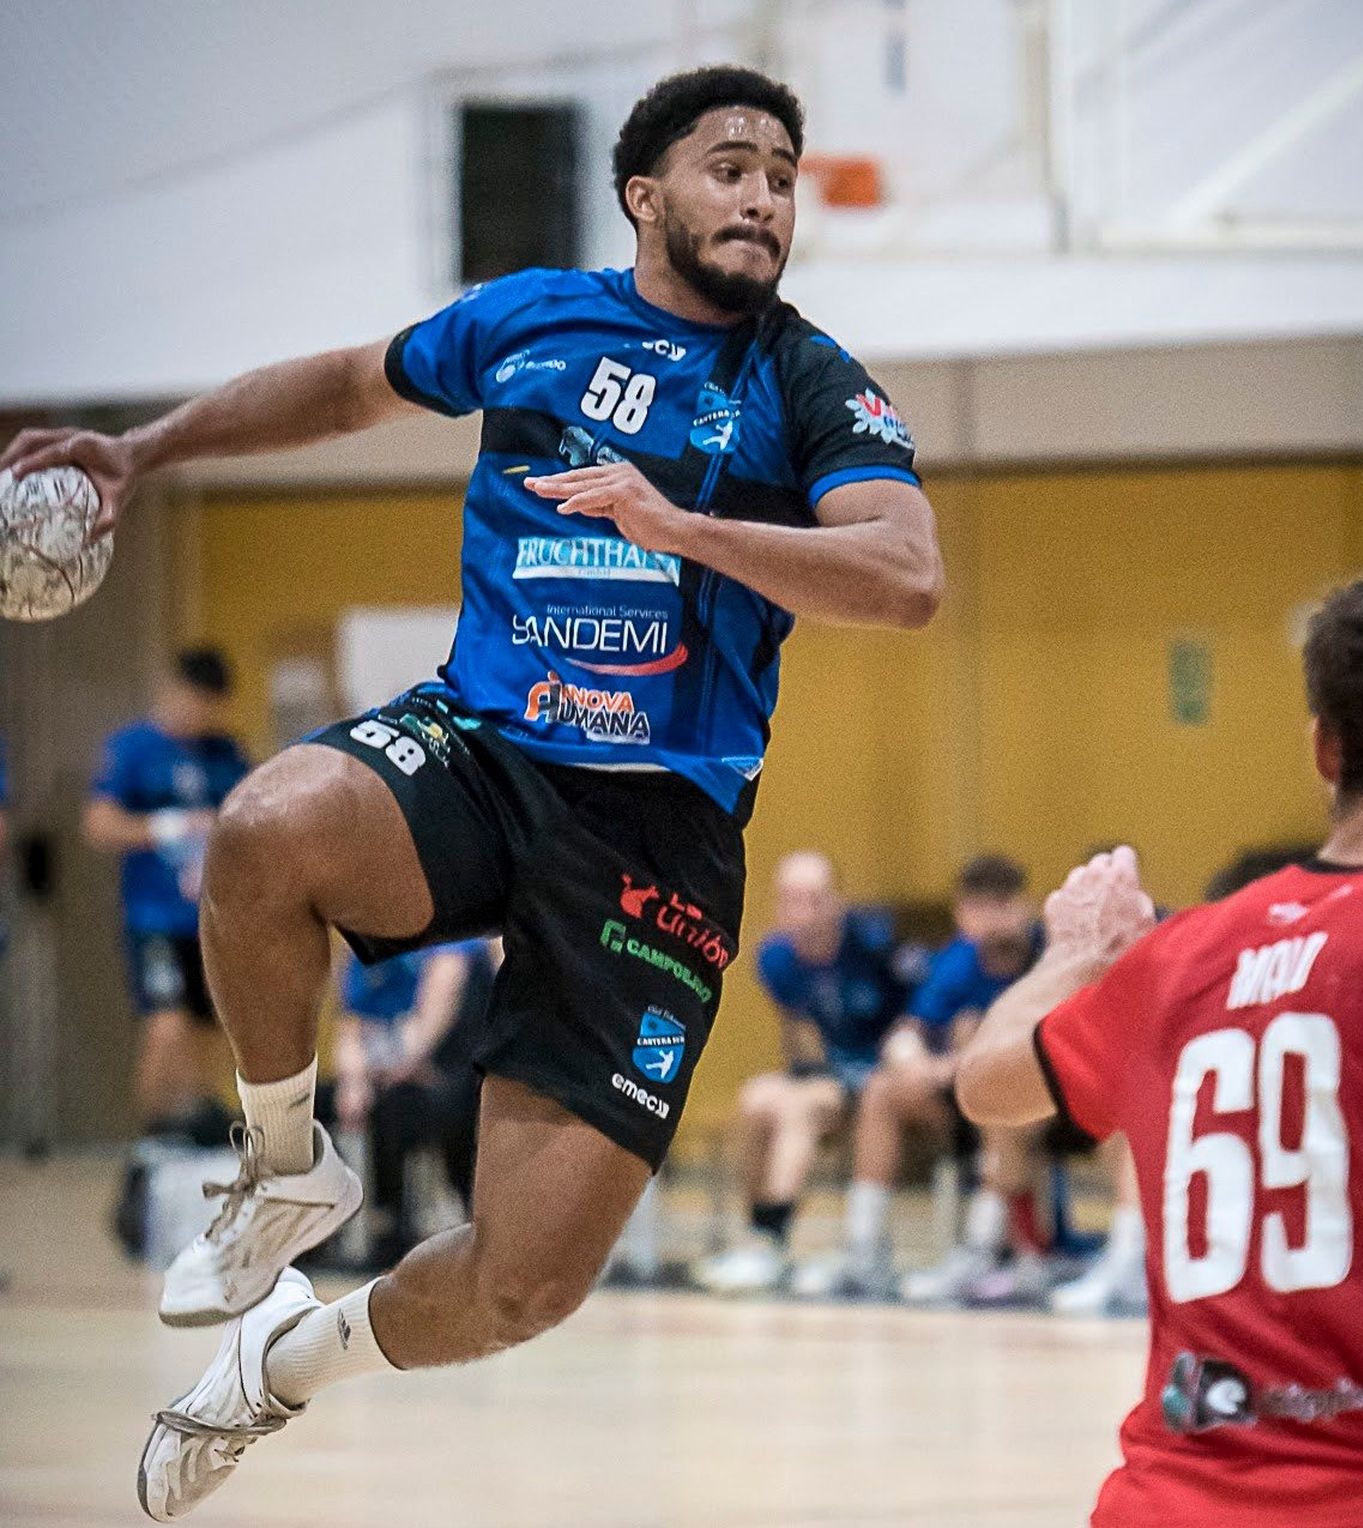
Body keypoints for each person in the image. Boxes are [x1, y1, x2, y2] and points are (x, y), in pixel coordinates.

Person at [1, 63, 942, 1522]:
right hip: (484, 747)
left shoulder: (810, 381)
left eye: (780, 177)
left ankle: (284, 1368)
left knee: (523, 1285)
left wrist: (678, 524)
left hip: (659, 830)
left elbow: (907, 576)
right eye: (729, 168)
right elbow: (338, 386)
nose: (761, 197)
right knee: (262, 832)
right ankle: (282, 1165)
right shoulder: (532, 320)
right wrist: (145, 448)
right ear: (646, 194)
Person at [956, 564, 1363, 1528]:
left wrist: (1075, 958)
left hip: (1163, 1505)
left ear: (1324, 748)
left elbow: (987, 1084)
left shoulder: (1181, 954)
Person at [793, 853, 1042, 1301]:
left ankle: (983, 1250)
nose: (990, 921)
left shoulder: (1047, 957)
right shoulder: (958, 961)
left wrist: (965, 1060)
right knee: (882, 1092)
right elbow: (908, 1032)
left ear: (1023, 908)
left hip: (1041, 1099)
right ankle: (863, 1249)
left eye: (1002, 906)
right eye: (979, 908)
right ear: (963, 914)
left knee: (988, 1062)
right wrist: (914, 1062)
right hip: (968, 1095)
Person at [691, 851, 916, 1294]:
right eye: (790, 900)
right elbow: (799, 1036)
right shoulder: (776, 957)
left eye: (812, 899)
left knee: (800, 1109)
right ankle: (759, 1236)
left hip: (883, 1071)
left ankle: (773, 1239)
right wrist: (807, 1071)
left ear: (835, 901)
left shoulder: (873, 939)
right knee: (757, 1099)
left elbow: (921, 1002)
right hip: (832, 1070)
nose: (801, 911)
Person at [83, 649, 248, 1139]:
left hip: (210, 918)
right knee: (165, 1024)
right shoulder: (133, 749)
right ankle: (153, 1137)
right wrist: (170, 824)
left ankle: (194, 1125)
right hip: (154, 916)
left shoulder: (225, 754)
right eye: (194, 702)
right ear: (173, 689)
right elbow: (98, 825)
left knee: (210, 1028)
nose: (200, 716)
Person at [324, 938, 498, 1265]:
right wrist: (353, 1083)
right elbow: (350, 1027)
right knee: (329, 1104)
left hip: (457, 1066)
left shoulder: (455, 944)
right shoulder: (363, 945)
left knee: (403, 1108)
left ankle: (423, 1225)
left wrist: (396, 1065)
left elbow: (434, 1013)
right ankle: (336, 1234)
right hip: (395, 1062)